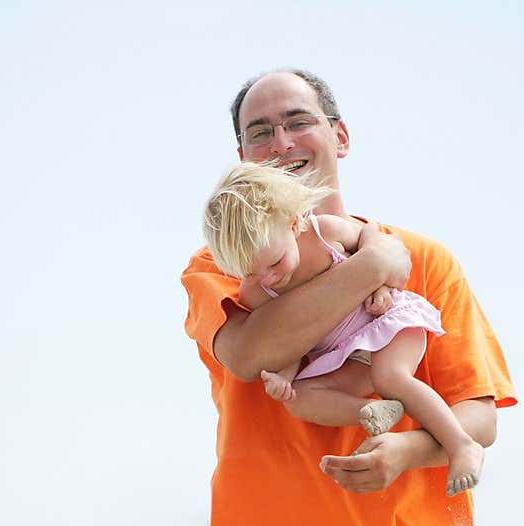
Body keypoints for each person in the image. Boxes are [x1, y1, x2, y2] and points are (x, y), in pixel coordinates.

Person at [181, 68, 517, 526]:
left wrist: (409, 452)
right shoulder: (221, 264)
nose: (282, 143)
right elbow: (249, 355)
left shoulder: (429, 260)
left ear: (340, 137)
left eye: (298, 122)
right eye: (260, 132)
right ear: (244, 157)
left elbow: (480, 415)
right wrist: (372, 266)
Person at [203, 161, 484, 497]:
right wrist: (284, 377)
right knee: (301, 397)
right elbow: (288, 340)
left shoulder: (323, 232)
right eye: (251, 272)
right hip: (344, 354)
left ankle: (462, 445)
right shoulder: (255, 291)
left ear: (294, 224)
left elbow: (372, 241)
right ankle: (370, 411)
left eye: (275, 263)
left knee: (391, 378)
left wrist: (381, 283)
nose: (270, 278)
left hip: (385, 322)